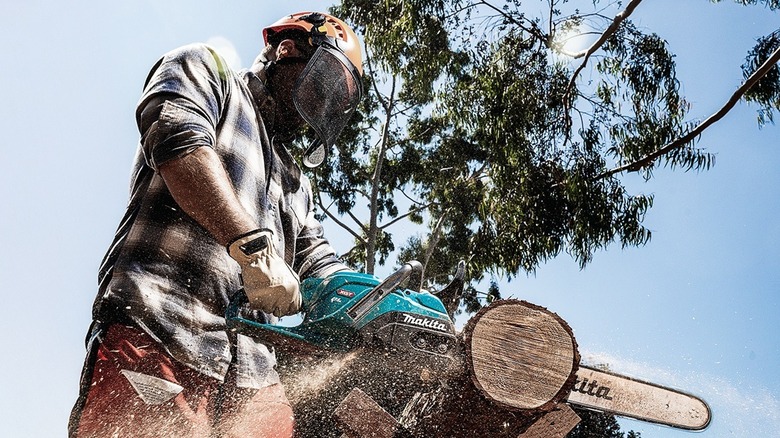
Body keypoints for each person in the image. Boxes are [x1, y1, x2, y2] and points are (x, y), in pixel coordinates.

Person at [69, 11, 363, 438]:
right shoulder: (206, 69)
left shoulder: (296, 183)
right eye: (322, 87)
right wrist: (252, 247)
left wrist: (380, 304)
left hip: (253, 379)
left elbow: (321, 266)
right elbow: (177, 140)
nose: (317, 109)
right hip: (162, 327)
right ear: (288, 49)